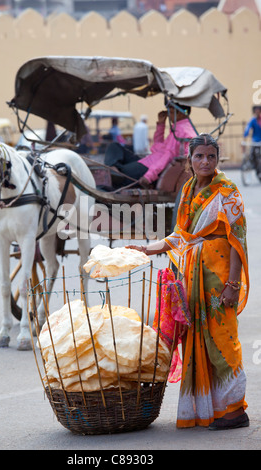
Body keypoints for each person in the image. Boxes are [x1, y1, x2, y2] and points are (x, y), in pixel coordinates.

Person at [126, 134, 250, 430]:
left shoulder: (228, 191)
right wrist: (148, 248)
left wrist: (233, 285)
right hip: (193, 275)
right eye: (199, 157)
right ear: (189, 159)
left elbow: (238, 241)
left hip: (219, 276)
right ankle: (212, 409)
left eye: (211, 157)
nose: (205, 162)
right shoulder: (188, 188)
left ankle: (234, 409)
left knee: (223, 340)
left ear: (218, 159)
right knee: (197, 340)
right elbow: (182, 234)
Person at [104, 103, 197, 187]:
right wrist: (161, 124)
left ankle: (114, 170)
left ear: (181, 113)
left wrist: (149, 177)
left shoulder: (180, 131)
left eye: (171, 113)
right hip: (150, 160)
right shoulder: (181, 128)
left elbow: (167, 156)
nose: (169, 116)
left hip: (151, 166)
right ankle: (113, 167)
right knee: (114, 146)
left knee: (119, 175)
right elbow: (157, 147)